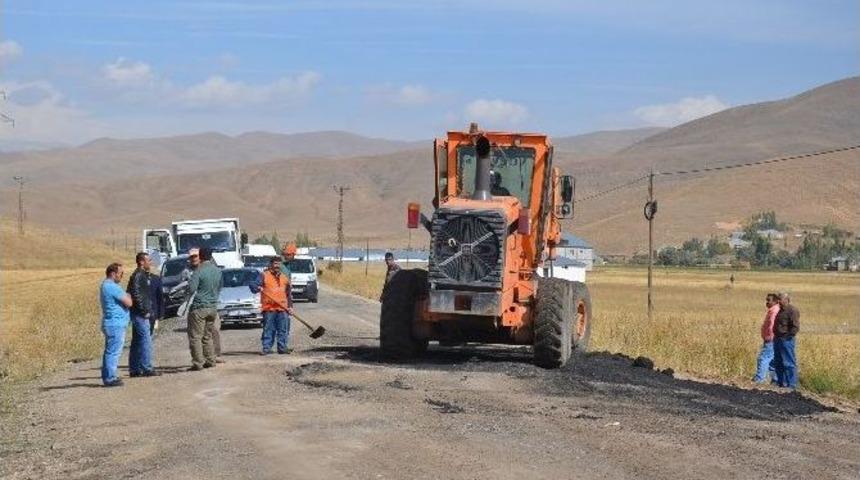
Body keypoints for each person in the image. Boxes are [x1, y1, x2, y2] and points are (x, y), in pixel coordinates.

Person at [186, 247, 223, 371]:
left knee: (196, 336)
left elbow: (191, 289)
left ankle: (198, 362)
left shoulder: (199, 271)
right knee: (207, 335)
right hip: (212, 307)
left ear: (200, 257)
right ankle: (210, 359)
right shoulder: (217, 271)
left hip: (199, 306)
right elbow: (220, 287)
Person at [127, 252, 160, 377]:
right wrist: (144, 311)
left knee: (136, 341)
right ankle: (146, 368)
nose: (150, 263)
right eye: (148, 260)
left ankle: (134, 369)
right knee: (146, 340)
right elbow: (135, 294)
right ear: (141, 262)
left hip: (138, 313)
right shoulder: (138, 276)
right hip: (140, 315)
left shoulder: (142, 275)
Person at [100, 263, 132, 387]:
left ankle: (108, 375)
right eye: (121, 273)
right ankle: (110, 377)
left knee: (110, 351)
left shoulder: (105, 286)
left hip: (111, 323)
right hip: (115, 323)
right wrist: (128, 296)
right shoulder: (112, 287)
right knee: (113, 351)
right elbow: (129, 302)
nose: (121, 276)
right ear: (113, 274)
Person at [252, 256, 293, 355]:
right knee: (268, 329)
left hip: (282, 308)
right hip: (269, 308)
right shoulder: (264, 275)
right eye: (275, 264)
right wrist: (257, 287)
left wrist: (290, 306)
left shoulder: (284, 278)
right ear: (271, 264)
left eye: (279, 264)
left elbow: (288, 294)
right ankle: (266, 348)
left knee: (283, 329)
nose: (277, 266)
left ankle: (282, 348)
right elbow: (252, 285)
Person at [773, 292, 800, 389]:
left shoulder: (792, 310)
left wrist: (787, 336)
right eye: (778, 299)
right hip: (777, 339)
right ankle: (781, 383)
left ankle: (792, 384)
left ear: (786, 300)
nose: (778, 301)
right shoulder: (780, 310)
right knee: (778, 361)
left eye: (780, 299)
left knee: (789, 362)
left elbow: (795, 327)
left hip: (786, 340)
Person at [753, 293, 780, 384]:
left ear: (775, 301)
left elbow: (772, 325)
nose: (767, 302)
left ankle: (759, 379)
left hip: (771, 339)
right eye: (767, 300)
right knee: (773, 361)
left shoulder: (774, 311)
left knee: (763, 358)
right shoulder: (774, 310)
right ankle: (775, 381)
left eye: (769, 300)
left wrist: (770, 337)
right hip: (773, 339)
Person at [148, 269, 165, 336]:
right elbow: (160, 296)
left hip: (142, 314)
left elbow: (160, 297)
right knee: (150, 334)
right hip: (153, 312)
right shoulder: (156, 278)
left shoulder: (136, 278)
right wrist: (161, 314)